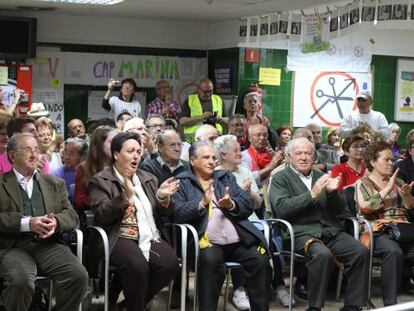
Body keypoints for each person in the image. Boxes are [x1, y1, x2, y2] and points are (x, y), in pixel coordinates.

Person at [269, 137, 369, 311]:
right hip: (300, 234)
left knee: (360, 251)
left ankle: (352, 305)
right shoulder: (280, 178)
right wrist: (312, 194)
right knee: (322, 254)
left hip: (330, 231)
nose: (303, 157)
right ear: (289, 157)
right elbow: (281, 208)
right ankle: (315, 307)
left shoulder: (322, 176)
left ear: (314, 157)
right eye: (298, 153)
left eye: (308, 153)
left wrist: (332, 193)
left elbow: (339, 209)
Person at [172, 140, 272, 311]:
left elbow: (247, 203)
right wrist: (202, 203)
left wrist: (231, 204)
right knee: (210, 261)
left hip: (238, 238)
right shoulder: (182, 182)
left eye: (213, 157)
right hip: (206, 241)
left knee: (260, 260)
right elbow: (177, 213)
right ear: (193, 161)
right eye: (206, 157)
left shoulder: (225, 177)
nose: (212, 161)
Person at [88, 132, 179, 310]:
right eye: (130, 151)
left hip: (149, 234)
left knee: (170, 264)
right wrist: (125, 197)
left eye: (138, 151)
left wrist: (162, 197)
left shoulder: (148, 178)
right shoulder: (101, 180)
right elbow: (101, 214)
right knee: (137, 265)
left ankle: (127, 306)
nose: (136, 155)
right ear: (116, 154)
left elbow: (166, 213)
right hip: (117, 235)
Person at [0, 133, 88, 311]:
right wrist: (26, 223)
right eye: (27, 150)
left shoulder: (54, 183)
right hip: (12, 246)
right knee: (20, 281)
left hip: (47, 245)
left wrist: (56, 221)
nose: (34, 155)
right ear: (11, 155)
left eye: (36, 150)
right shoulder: (1, 183)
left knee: (78, 276)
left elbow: (72, 215)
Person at [356, 140, 414, 306]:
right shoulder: (364, 183)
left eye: (392, 159)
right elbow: (366, 208)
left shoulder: (399, 181)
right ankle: (391, 305)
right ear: (373, 162)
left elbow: (410, 207)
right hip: (378, 229)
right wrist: (386, 189)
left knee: (402, 252)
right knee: (393, 252)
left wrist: (408, 195)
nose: (391, 163)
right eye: (386, 159)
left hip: (402, 227)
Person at [74, 126, 117, 218]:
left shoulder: (120, 166)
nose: (116, 145)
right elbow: (79, 201)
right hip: (95, 216)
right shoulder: (84, 168)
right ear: (100, 144)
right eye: (111, 142)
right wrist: (101, 200)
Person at [179, 78, 228, 143]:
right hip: (195, 139)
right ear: (198, 89)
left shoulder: (218, 99)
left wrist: (219, 119)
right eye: (205, 92)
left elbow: (229, 121)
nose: (208, 94)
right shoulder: (190, 100)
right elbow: (182, 121)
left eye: (210, 91)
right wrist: (201, 117)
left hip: (215, 138)